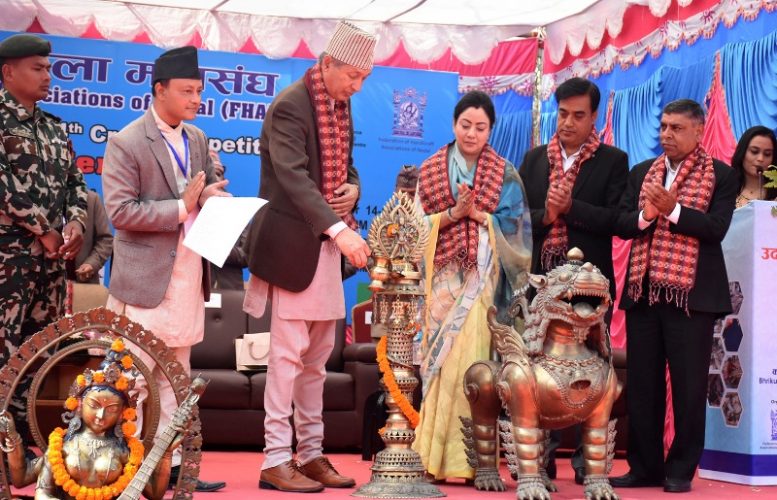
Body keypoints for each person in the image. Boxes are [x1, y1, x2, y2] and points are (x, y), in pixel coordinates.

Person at [242, 20, 375, 494]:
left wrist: (354, 189)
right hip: (293, 247)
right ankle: (275, 459)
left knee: (318, 360)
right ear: (329, 63)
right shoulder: (291, 106)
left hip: (325, 250)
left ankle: (312, 454)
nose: (357, 87)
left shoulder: (340, 104)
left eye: (364, 79)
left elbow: (344, 166)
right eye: (353, 76)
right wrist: (341, 231)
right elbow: (294, 177)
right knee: (286, 359)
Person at [101, 45, 227, 493]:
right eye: (187, 91)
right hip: (145, 281)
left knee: (176, 377)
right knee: (134, 380)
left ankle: (169, 467)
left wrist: (210, 195)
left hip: (189, 271)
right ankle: (126, 468)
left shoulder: (197, 138)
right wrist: (181, 206)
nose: (196, 99)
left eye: (199, 91)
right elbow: (120, 212)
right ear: (159, 90)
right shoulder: (127, 141)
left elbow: (205, 183)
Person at [610, 99, 736, 494]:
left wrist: (674, 210)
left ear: (699, 131)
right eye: (664, 126)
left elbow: (716, 228)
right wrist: (647, 215)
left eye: (677, 128)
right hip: (644, 292)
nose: (667, 134)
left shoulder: (721, 175)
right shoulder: (641, 173)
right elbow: (622, 223)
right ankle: (644, 467)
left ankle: (681, 468)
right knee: (642, 385)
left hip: (691, 297)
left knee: (688, 386)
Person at [411, 90, 532, 481]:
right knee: (440, 365)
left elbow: (517, 231)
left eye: (481, 127)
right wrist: (451, 214)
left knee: (474, 365)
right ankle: (431, 458)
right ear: (453, 124)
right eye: (465, 125)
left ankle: (471, 462)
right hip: (443, 283)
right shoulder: (431, 169)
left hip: (482, 285)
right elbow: (414, 228)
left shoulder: (505, 173)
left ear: (490, 130)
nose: (471, 133)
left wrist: (480, 215)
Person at [518, 77, 629, 484]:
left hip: (589, 287)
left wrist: (572, 207)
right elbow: (518, 222)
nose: (567, 123)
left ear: (594, 116)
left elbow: (618, 220)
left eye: (578, 115)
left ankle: (587, 463)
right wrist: (548, 216)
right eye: (562, 114)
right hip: (542, 282)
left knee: (594, 366)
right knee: (538, 367)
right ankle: (540, 459)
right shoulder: (534, 160)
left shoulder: (613, 161)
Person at [0, 33, 87, 443]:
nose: (47, 75)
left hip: (49, 266)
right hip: (9, 262)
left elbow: (76, 183)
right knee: (3, 353)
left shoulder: (53, 127)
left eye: (48, 68)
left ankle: (20, 447)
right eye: (37, 68)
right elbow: (4, 188)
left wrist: (75, 224)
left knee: (38, 354)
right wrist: (44, 229)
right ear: (8, 72)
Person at [0, 340, 175, 499]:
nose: (100, 415)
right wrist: (12, 437)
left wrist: (167, 454)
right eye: (94, 405)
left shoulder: (126, 451)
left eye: (112, 409)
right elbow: (25, 480)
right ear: (79, 404)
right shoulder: (61, 446)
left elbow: (155, 493)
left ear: (123, 413)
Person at [208, 149, 247, 289]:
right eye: (211, 172)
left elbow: (247, 255)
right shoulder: (186, 209)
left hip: (229, 293)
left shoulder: (237, 210)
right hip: (192, 291)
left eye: (219, 173)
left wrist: (216, 248)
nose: (217, 179)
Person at [74, 189, 113, 283]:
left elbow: (105, 240)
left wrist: (92, 263)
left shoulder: (91, 199)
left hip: (83, 284)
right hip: (45, 284)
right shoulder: (40, 199)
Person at [731, 125, 776, 208]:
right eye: (754, 151)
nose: (760, 159)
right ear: (742, 152)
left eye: (767, 154)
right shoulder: (725, 188)